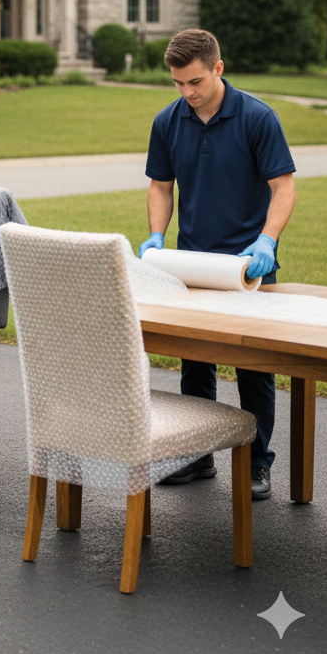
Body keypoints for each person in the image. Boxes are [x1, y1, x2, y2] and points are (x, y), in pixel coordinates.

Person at [140, 28, 296, 500]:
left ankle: (257, 464)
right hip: (193, 265)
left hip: (249, 267)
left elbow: (283, 188)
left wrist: (266, 241)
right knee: (196, 364)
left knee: (254, 369)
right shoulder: (168, 121)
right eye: (178, 83)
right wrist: (156, 235)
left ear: (218, 69)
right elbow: (161, 186)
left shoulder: (256, 118)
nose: (187, 93)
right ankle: (196, 456)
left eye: (195, 82)